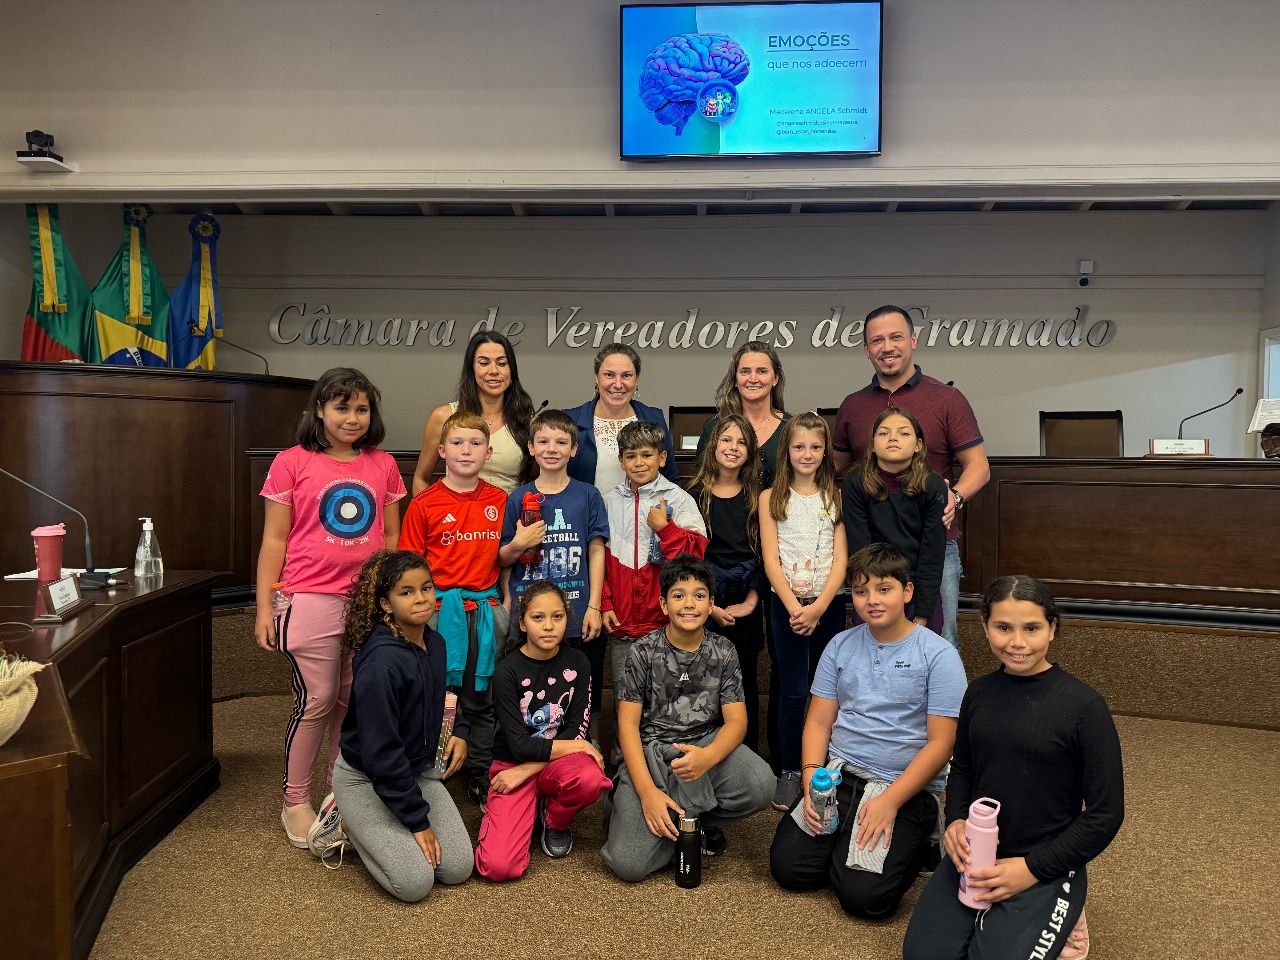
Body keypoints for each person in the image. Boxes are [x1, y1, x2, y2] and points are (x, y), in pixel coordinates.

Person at [902, 575, 1124, 960]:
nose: (1017, 642)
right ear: (985, 626)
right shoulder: (978, 693)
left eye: (1032, 628)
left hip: (1046, 860)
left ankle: (1067, 915)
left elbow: (1106, 813)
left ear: (1052, 628)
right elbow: (963, 768)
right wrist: (955, 821)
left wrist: (1032, 869)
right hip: (977, 851)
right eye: (1003, 627)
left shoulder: (1085, 708)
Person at [769, 543, 966, 920]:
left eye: (884, 588)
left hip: (902, 786)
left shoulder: (939, 655)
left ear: (907, 592)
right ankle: (849, 842)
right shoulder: (839, 645)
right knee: (789, 870)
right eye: (861, 591)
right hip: (838, 776)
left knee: (864, 898)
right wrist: (810, 779)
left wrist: (889, 802)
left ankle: (921, 836)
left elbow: (942, 744)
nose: (872, 600)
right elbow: (819, 721)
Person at [254, 367, 406, 848]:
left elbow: (392, 535)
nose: (353, 418)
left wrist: (389, 597)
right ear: (319, 410)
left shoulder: (383, 464)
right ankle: (295, 800)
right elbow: (274, 540)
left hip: (366, 601)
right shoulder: (291, 462)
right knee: (316, 699)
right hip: (309, 596)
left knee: (352, 700)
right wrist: (264, 608)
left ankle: (339, 793)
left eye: (362, 409)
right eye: (342, 407)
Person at [308, 550, 472, 901]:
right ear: (386, 604)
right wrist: (418, 821)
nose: (421, 598)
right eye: (406, 592)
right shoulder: (381, 665)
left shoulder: (436, 643)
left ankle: (384, 820)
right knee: (414, 884)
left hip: (413, 772)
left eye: (426, 587)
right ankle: (344, 820)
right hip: (365, 777)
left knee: (457, 869)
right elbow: (382, 755)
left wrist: (459, 730)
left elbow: (438, 698)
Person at [600, 555, 775, 881]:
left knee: (761, 784)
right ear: (664, 604)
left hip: (702, 748)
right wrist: (647, 793)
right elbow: (627, 725)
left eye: (699, 595)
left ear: (711, 604)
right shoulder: (643, 651)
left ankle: (693, 822)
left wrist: (708, 756)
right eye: (679, 595)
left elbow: (737, 722)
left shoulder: (724, 651)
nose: (690, 604)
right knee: (628, 864)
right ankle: (640, 807)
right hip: (652, 754)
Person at [831, 305, 990, 647]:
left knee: (938, 638)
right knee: (871, 640)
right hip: (872, 547)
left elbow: (979, 466)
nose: (887, 347)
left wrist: (954, 497)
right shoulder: (852, 405)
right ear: (867, 349)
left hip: (933, 546)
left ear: (913, 341)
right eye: (877, 340)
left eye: (896, 337)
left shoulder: (947, 399)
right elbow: (832, 466)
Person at [399, 410, 510, 810]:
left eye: (476, 443)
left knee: (481, 697)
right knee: (440, 697)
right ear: (442, 450)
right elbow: (409, 568)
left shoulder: (500, 500)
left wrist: (505, 604)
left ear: (488, 452)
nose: (467, 450)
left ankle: (479, 772)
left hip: (484, 613)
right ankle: (437, 771)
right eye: (458, 443)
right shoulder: (424, 503)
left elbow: (509, 559)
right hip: (437, 613)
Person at [474, 582, 613, 881]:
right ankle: (516, 810)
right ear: (523, 623)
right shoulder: (506, 671)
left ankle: (554, 820)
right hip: (512, 763)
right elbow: (520, 746)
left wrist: (529, 770)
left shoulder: (578, 662)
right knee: (499, 867)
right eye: (538, 618)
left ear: (566, 619)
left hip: (554, 763)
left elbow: (577, 728)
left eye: (557, 617)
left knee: (589, 778)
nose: (549, 626)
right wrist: (579, 746)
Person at [499, 409, 610, 741]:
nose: (552, 448)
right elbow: (503, 558)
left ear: (573, 449)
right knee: (530, 689)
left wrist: (594, 606)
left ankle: (588, 747)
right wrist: (519, 544)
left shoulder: (588, 495)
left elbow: (596, 550)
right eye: (543, 441)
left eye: (561, 442)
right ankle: (528, 748)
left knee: (585, 688)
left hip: (577, 611)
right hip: (529, 612)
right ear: (531, 447)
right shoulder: (517, 498)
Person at [760, 411, 848, 812]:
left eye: (815, 447)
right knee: (793, 688)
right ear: (787, 450)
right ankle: (791, 768)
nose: (807, 454)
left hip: (828, 604)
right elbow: (771, 560)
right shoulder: (771, 498)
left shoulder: (835, 497)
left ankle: (824, 764)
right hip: (788, 607)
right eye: (799, 446)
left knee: (826, 688)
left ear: (825, 450)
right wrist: (797, 608)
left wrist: (820, 606)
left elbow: (841, 559)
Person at [600, 420, 708, 700]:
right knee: (626, 699)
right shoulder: (608, 502)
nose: (639, 463)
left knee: (668, 700)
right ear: (621, 461)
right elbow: (598, 560)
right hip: (622, 624)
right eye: (630, 456)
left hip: (666, 624)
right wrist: (605, 602)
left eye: (646, 455)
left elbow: (694, 559)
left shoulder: (680, 499)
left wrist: (665, 529)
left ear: (661, 458)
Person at [687, 413, 766, 755]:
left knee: (744, 678)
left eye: (742, 442)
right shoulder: (694, 494)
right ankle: (704, 753)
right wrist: (709, 606)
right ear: (713, 445)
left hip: (745, 602)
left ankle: (746, 757)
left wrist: (750, 602)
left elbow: (766, 553)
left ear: (750, 452)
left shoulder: (758, 497)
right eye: (726, 439)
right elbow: (689, 557)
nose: (733, 447)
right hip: (704, 603)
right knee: (702, 679)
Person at [841, 407, 948, 634]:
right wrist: (877, 595)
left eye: (904, 433)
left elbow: (932, 554)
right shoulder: (855, 483)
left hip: (918, 587)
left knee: (921, 649)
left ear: (918, 445)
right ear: (872, 444)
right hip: (873, 584)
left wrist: (923, 613)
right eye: (883, 433)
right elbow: (861, 550)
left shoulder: (933, 486)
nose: (893, 438)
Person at [410, 331, 535, 495]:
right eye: (484, 363)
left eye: (502, 363)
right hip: (455, 510)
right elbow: (421, 478)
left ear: (511, 370)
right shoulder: (444, 416)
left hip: (508, 510)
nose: (494, 370)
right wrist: (428, 510)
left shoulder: (528, 423)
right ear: (471, 369)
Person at [565, 343, 679, 498]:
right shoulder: (570, 421)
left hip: (644, 513)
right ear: (596, 377)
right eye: (609, 375)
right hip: (585, 513)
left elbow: (670, 480)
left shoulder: (654, 418)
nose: (618, 384)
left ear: (636, 379)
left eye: (626, 375)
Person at [694, 340, 792, 490]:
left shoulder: (792, 428)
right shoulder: (714, 427)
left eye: (762, 371)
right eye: (745, 371)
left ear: (775, 379)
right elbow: (701, 485)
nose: (753, 379)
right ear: (735, 379)